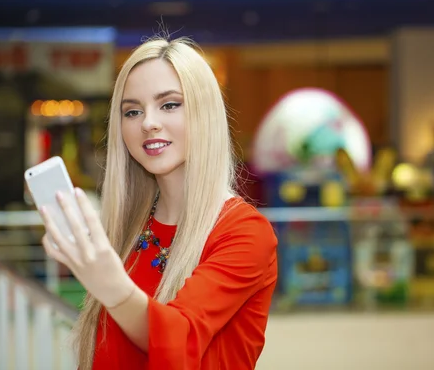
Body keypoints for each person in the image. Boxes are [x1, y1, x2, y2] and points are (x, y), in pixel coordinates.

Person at [39, 36, 278, 370]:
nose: (148, 123)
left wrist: (114, 288)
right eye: (132, 111)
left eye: (169, 104)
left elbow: (179, 339)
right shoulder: (128, 227)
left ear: (204, 113)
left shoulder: (245, 232)